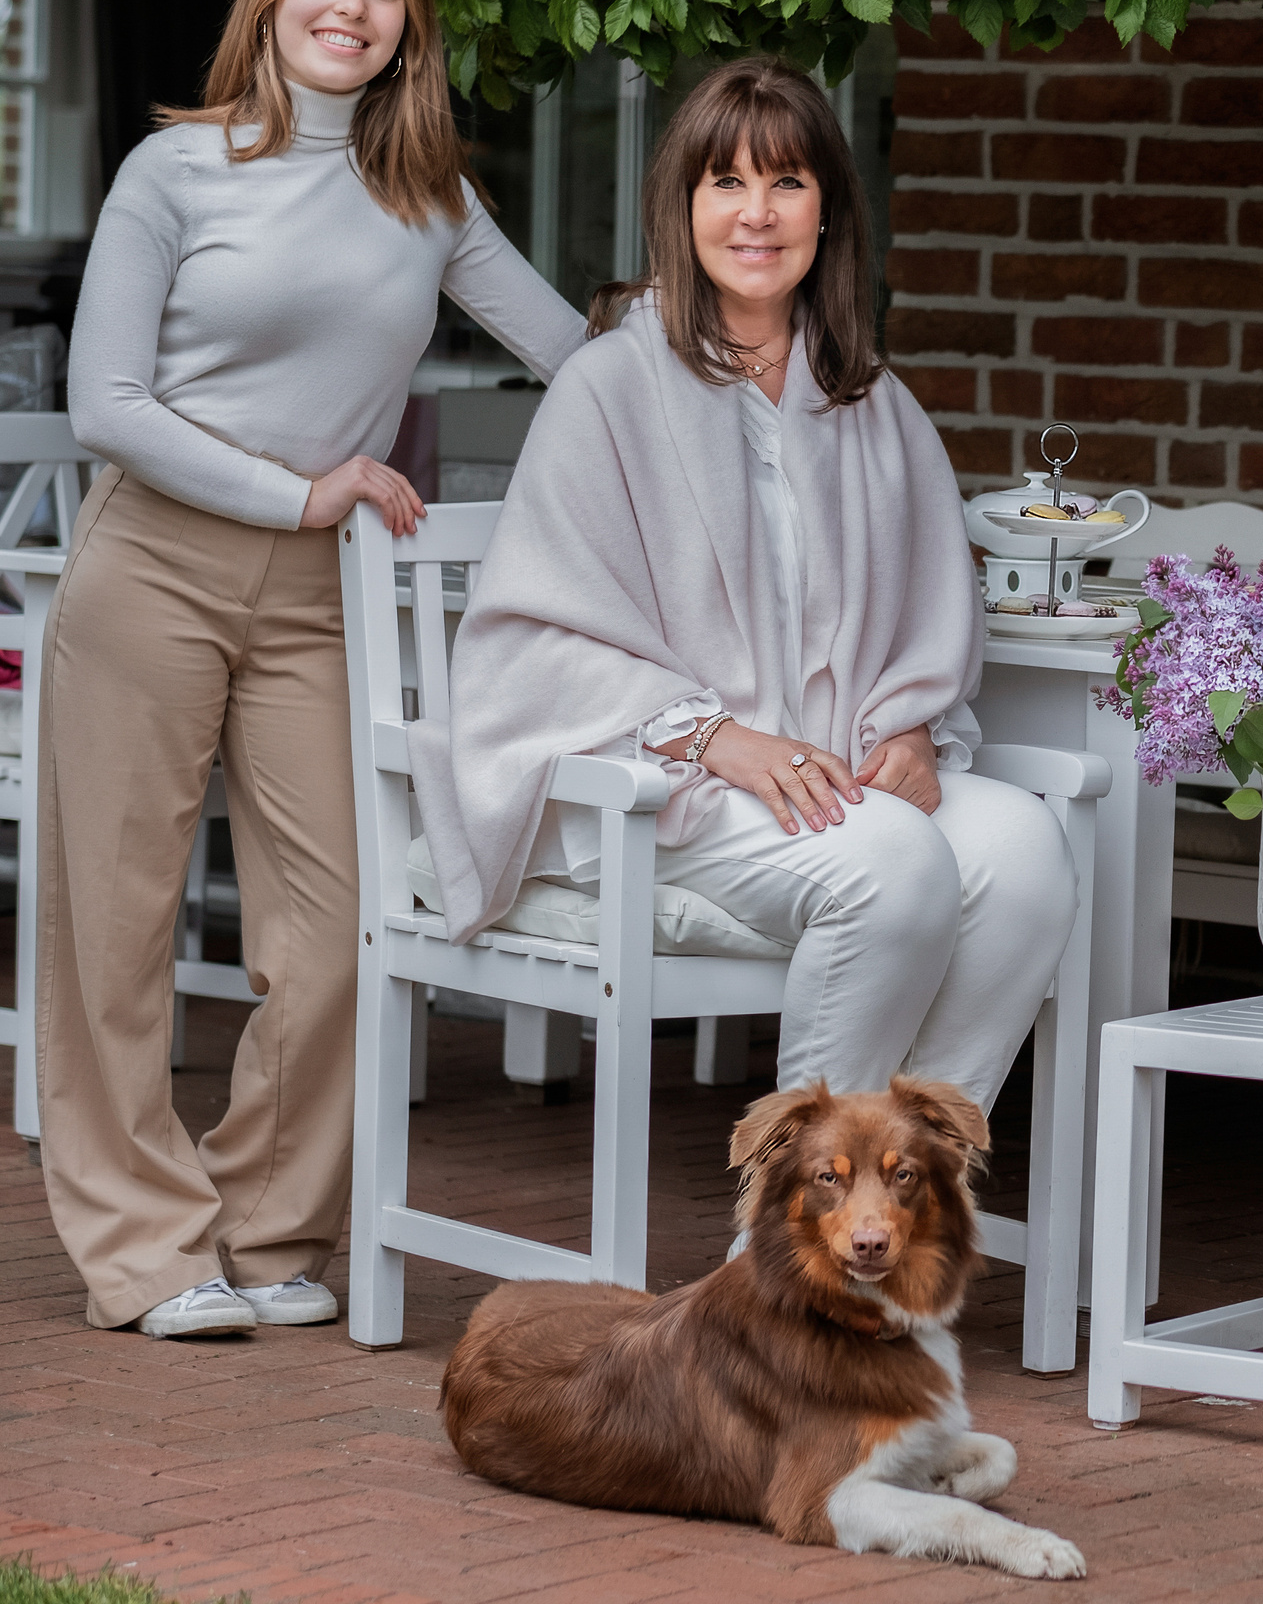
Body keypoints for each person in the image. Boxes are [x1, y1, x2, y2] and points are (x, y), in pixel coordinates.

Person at [43, 0, 586, 1338]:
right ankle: (145, 1251)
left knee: (343, 923)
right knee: (117, 926)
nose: (352, 7)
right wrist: (305, 490)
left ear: (412, 26)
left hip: (315, 598)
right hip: (154, 565)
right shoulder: (176, 171)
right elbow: (107, 406)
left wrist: (733, 351)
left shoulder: (430, 196)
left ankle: (272, 1224)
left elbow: (576, 354)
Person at [416, 57, 1074, 1144]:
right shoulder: (608, 388)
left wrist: (909, 722)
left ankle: (897, 1207)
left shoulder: (870, 399)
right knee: (894, 866)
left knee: (1027, 854)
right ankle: (790, 1240)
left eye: (787, 183)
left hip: (831, 767)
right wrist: (717, 735)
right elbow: (534, 629)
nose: (756, 214)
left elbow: (928, 600)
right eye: (725, 182)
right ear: (685, 210)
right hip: (660, 777)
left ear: (829, 212)